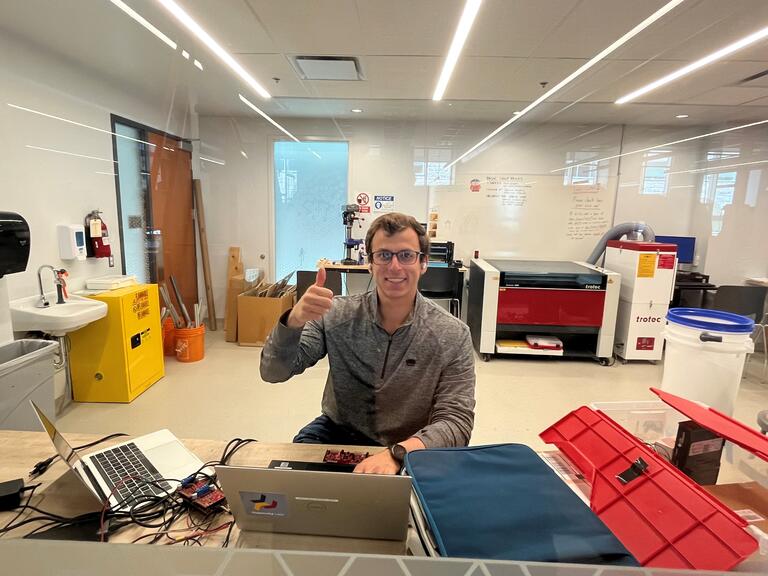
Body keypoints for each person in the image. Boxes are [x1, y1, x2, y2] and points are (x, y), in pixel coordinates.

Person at [260, 212, 476, 474]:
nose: (394, 266)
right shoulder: (335, 314)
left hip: (413, 443)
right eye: (384, 255)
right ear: (370, 263)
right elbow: (273, 373)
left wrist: (398, 453)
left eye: (406, 255)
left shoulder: (452, 334)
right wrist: (293, 321)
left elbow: (456, 421)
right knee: (297, 482)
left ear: (424, 263)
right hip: (339, 432)